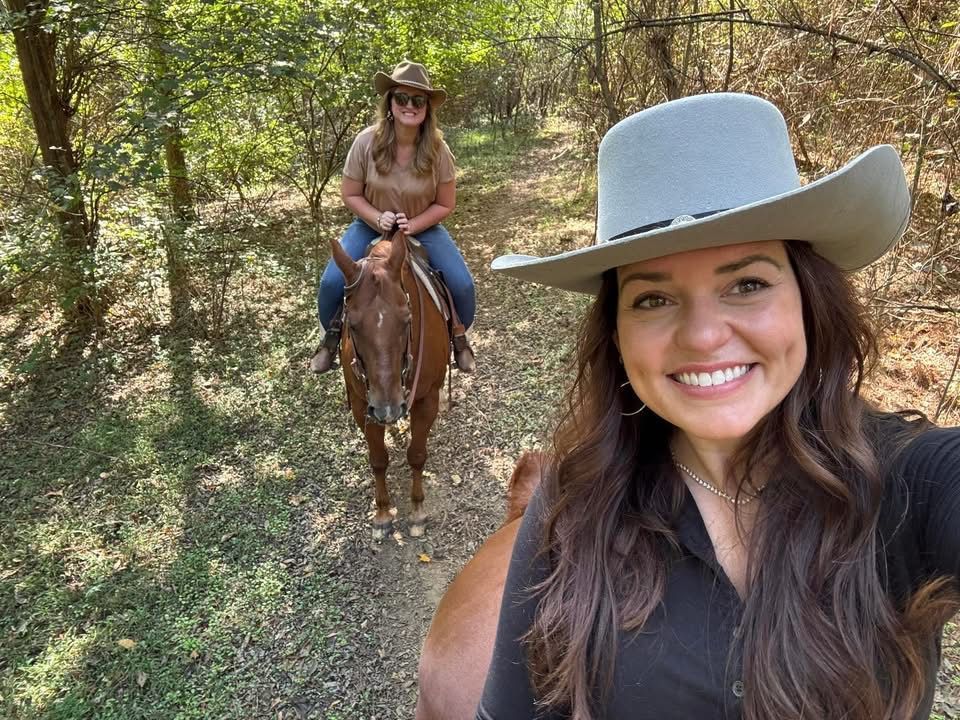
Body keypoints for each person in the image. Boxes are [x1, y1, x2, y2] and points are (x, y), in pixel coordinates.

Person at [477, 93, 960, 720]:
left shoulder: (912, 481)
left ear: (810, 301)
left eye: (747, 284)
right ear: (616, 334)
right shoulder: (571, 505)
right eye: (653, 299)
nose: (704, 337)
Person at [310, 60, 476, 374]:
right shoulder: (365, 142)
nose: (409, 106)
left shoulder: (439, 150)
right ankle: (331, 339)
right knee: (332, 282)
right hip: (369, 224)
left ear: (427, 107)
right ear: (389, 102)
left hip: (423, 227)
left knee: (463, 285)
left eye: (418, 100)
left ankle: (458, 338)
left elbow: (445, 203)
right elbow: (350, 193)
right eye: (401, 98)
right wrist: (377, 218)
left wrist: (413, 224)